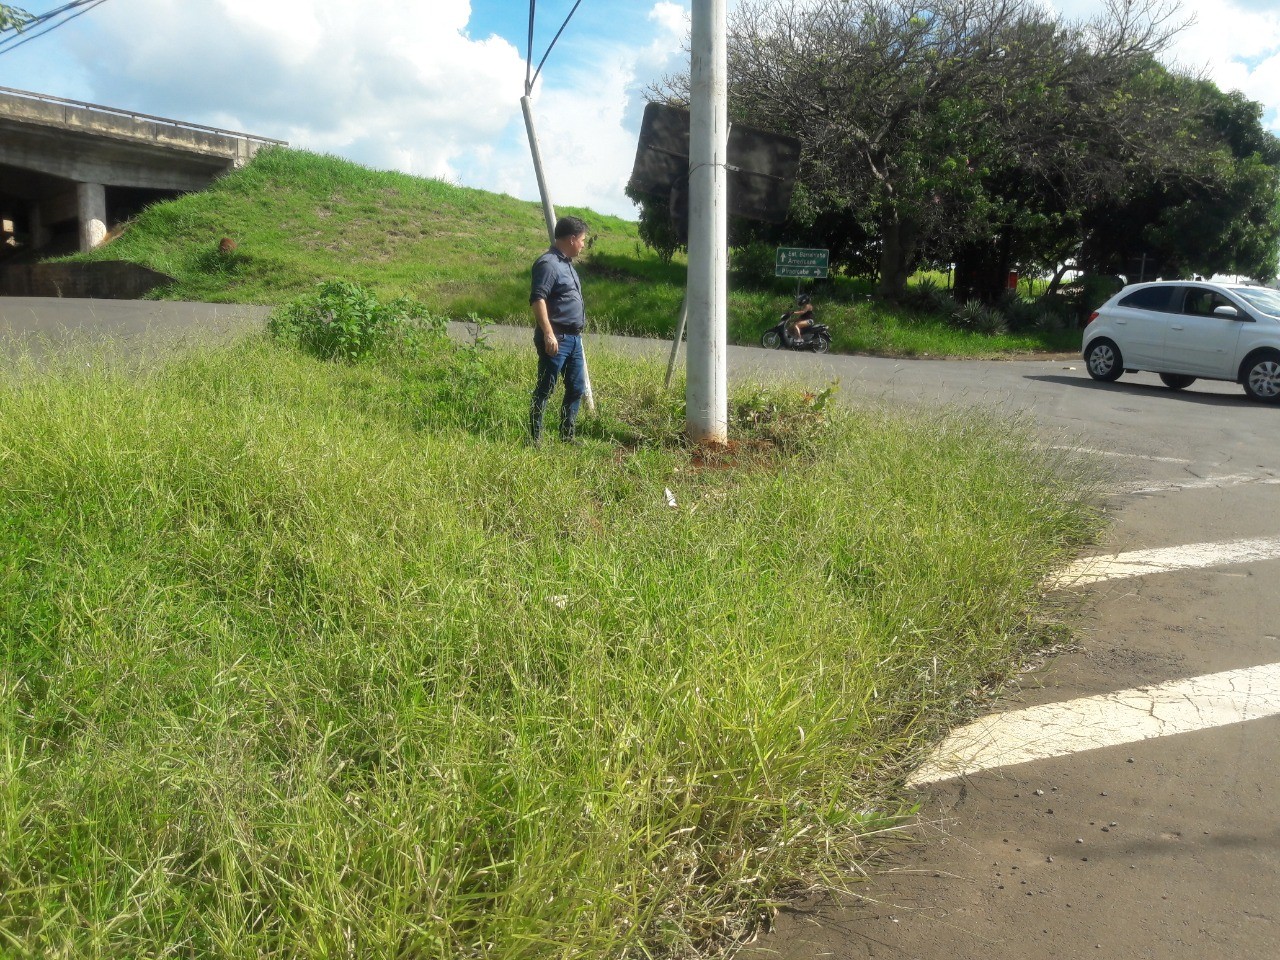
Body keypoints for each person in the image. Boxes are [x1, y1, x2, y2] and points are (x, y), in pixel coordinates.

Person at [529, 215, 589, 444]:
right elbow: (538, 299)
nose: (583, 244)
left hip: (574, 339)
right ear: (572, 238)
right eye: (582, 239)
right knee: (546, 388)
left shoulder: (566, 265)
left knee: (576, 387)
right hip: (556, 338)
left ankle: (567, 435)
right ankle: (535, 438)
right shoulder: (548, 264)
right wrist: (548, 333)